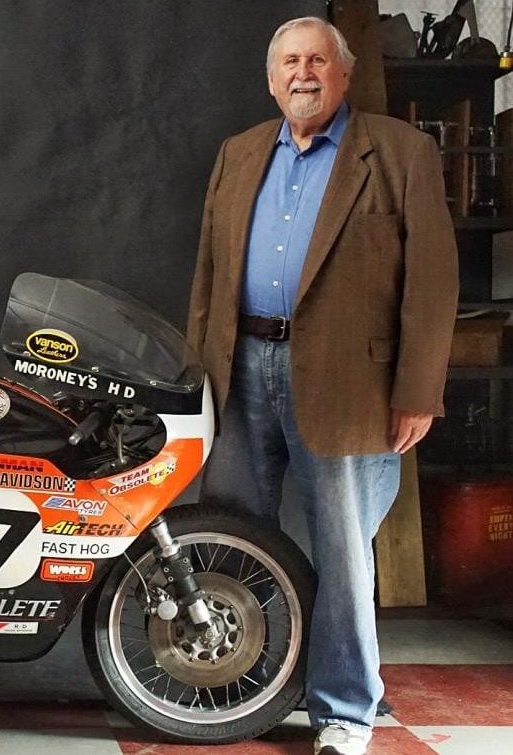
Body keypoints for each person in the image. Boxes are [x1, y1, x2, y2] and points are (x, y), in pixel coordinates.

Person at [186, 17, 457, 755]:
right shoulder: (238, 154)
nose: (301, 73)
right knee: (232, 534)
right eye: (288, 62)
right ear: (271, 78)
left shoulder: (401, 153)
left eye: (315, 61)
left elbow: (431, 284)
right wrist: (196, 380)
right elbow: (209, 281)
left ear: (340, 75)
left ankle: (342, 710)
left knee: (341, 552)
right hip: (240, 371)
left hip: (351, 384)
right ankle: (246, 685)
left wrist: (417, 389)